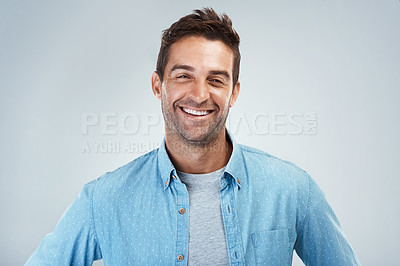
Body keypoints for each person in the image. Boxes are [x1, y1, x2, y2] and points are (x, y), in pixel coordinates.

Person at [26, 8, 361, 265]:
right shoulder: (103, 199)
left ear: (234, 93)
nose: (200, 95)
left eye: (216, 79)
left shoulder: (293, 189)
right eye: (184, 75)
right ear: (158, 85)